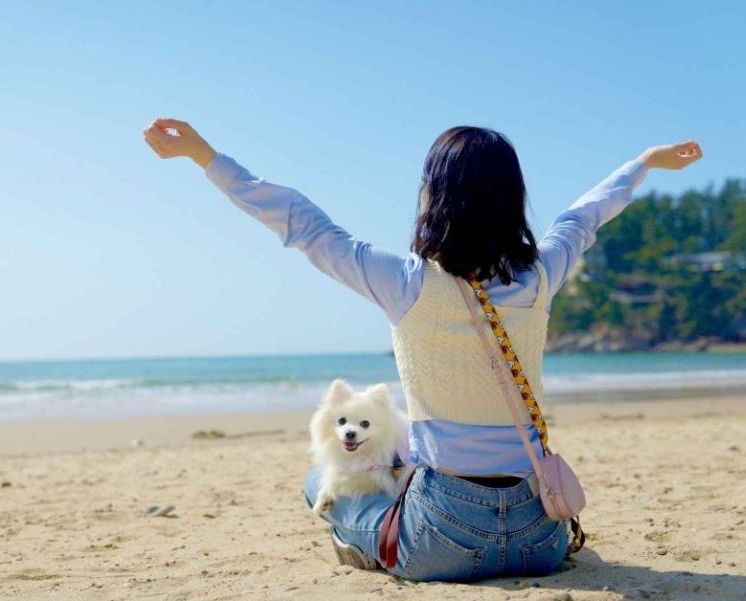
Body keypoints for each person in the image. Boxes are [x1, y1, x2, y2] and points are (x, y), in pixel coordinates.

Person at [142, 119, 703, 581]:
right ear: (512, 200)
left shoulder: (405, 282)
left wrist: (205, 156)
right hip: (541, 538)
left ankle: (369, 545)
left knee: (320, 481)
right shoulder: (539, 277)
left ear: (434, 195)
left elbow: (303, 224)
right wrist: (645, 163)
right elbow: (582, 218)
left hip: (444, 539)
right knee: (406, 447)